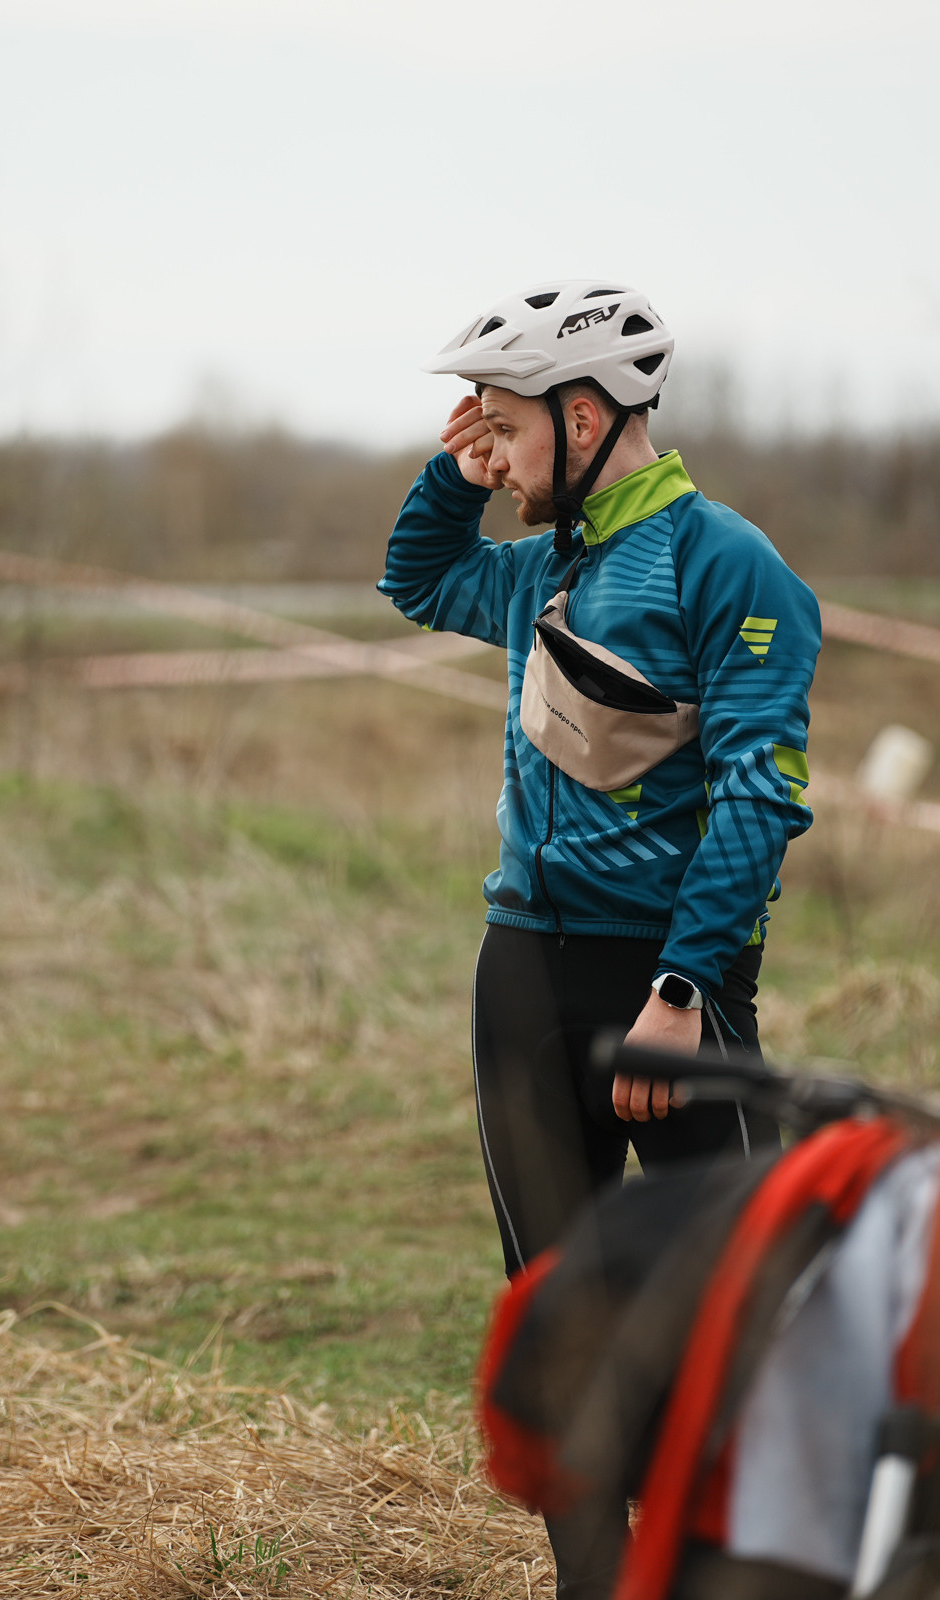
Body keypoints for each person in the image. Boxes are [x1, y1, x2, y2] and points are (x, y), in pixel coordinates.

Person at [381, 280, 821, 1288]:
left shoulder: (726, 562)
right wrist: (460, 474)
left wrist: (681, 987)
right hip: (523, 969)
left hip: (666, 982)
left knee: (739, 1302)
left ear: (581, 419)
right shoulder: (543, 566)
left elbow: (759, 795)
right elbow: (422, 581)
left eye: (507, 427)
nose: (495, 452)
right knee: (555, 1309)